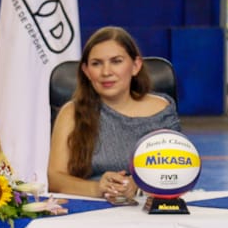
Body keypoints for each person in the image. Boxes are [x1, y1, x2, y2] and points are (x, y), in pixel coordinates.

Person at [47, 26, 181, 199]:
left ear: (135, 66)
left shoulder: (161, 109)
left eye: (116, 61)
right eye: (96, 64)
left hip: (148, 210)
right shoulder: (71, 113)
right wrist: (98, 188)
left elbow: (177, 170)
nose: (106, 72)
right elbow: (55, 179)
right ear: (86, 71)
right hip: (91, 211)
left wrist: (140, 184)